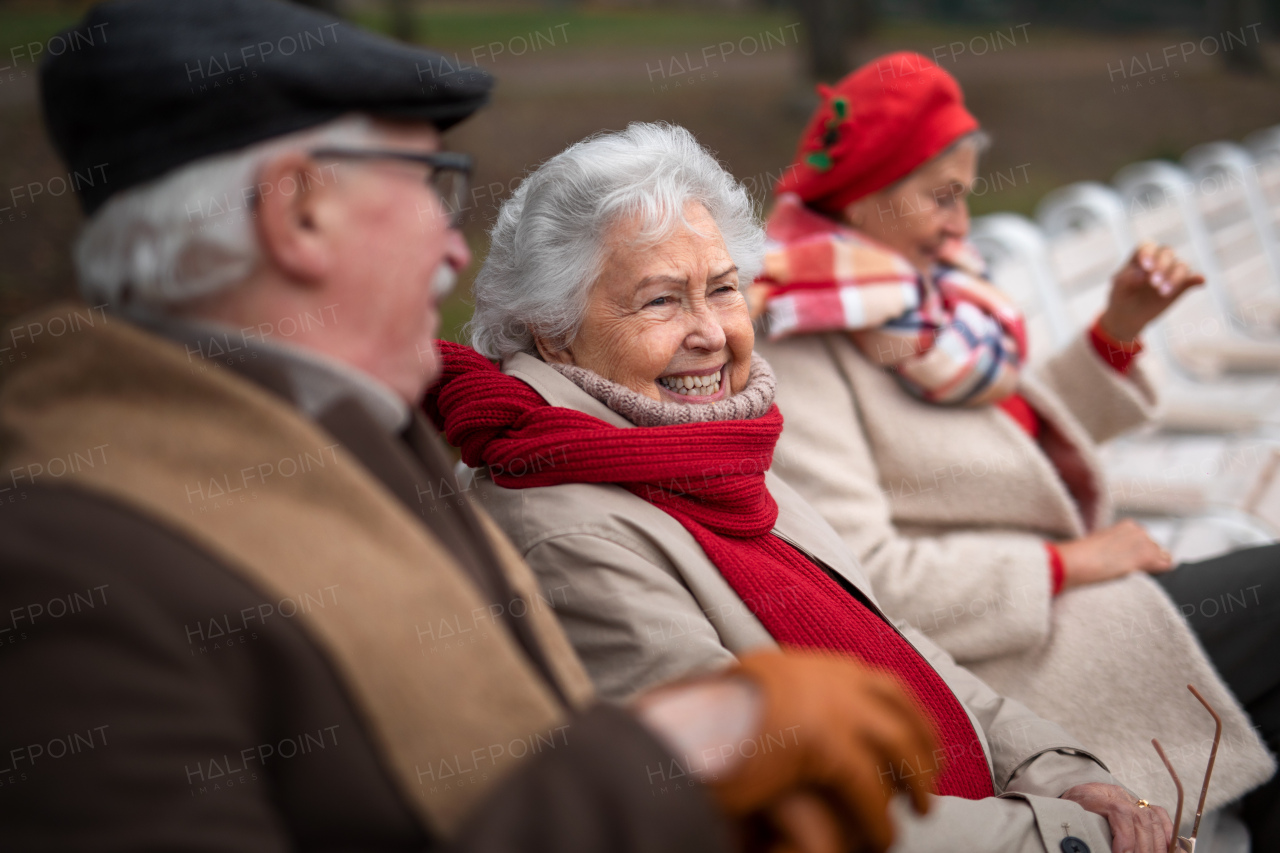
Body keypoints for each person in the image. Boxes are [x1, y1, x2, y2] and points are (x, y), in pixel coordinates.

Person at [0, 4, 954, 851]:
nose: (454, 244)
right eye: (429, 183)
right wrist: (674, 752)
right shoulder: (61, 564)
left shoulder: (363, 435)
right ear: (300, 211)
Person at [429, 120, 1185, 853]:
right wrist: (1066, 836)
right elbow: (763, 804)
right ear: (553, 330)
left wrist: (1060, 774)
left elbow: (901, 646)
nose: (711, 331)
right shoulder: (566, 522)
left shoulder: (714, 446)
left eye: (722, 290)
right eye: (661, 300)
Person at [749, 51, 1280, 842]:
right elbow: (866, 580)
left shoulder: (913, 306)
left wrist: (1117, 332)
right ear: (869, 189)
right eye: (943, 196)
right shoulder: (802, 344)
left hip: (1065, 614)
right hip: (1007, 666)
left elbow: (1011, 456)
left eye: (964, 196)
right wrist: (1070, 563)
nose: (961, 224)